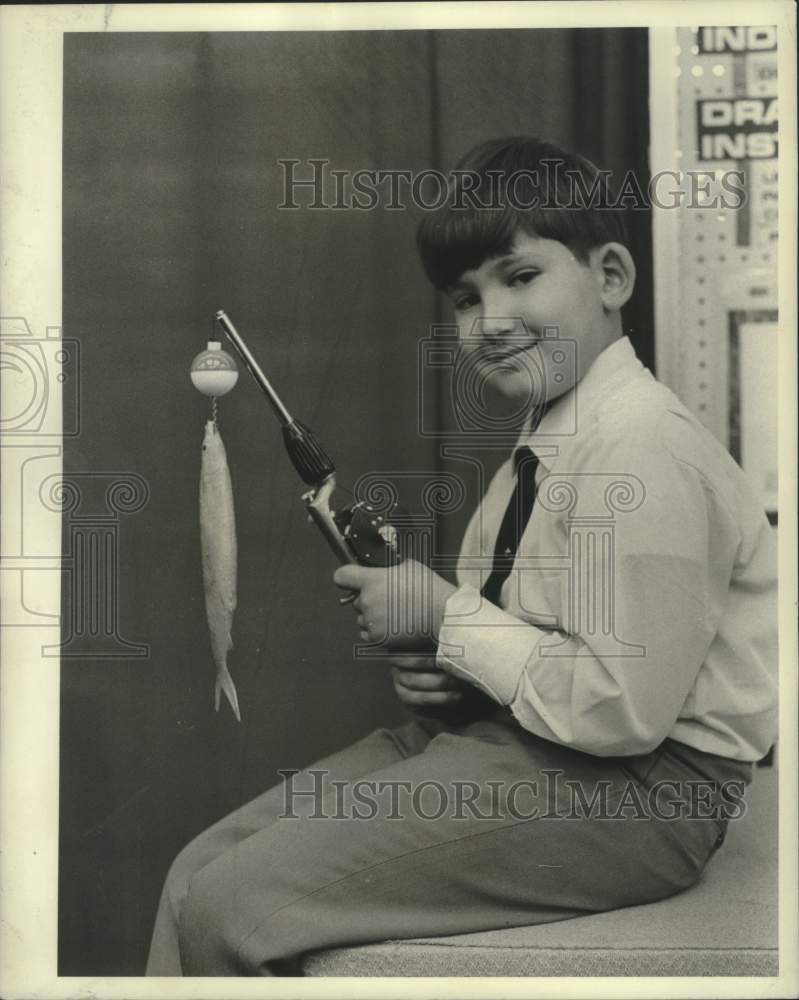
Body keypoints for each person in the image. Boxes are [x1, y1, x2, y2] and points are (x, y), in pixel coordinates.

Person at [146, 136, 777, 976]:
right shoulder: (549, 434)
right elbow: (532, 643)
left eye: (519, 278)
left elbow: (620, 711)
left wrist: (445, 615)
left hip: (641, 793)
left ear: (612, 278)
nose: (492, 322)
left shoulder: (644, 452)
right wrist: (449, 665)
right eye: (465, 300)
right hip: (520, 741)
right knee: (193, 873)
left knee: (231, 907)